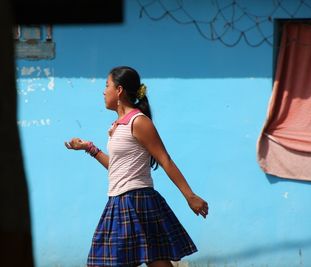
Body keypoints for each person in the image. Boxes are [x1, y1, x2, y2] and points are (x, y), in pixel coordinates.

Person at [65, 66, 208, 267]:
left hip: (137, 200)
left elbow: (164, 159)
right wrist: (89, 148)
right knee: (154, 260)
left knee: (144, 260)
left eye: (107, 86)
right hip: (119, 200)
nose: (103, 91)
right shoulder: (116, 126)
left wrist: (189, 195)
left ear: (120, 90)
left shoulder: (138, 122)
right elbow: (117, 168)